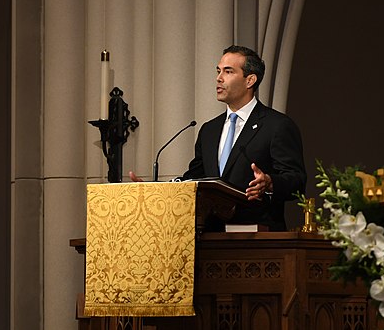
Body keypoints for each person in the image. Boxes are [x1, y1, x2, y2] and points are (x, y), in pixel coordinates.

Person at [131, 45, 306, 230]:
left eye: (228, 71)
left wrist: (270, 182)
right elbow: (194, 180)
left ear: (250, 80)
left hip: (257, 238)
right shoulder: (209, 130)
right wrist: (156, 190)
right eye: (218, 71)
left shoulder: (276, 125)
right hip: (211, 237)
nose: (218, 78)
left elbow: (297, 181)